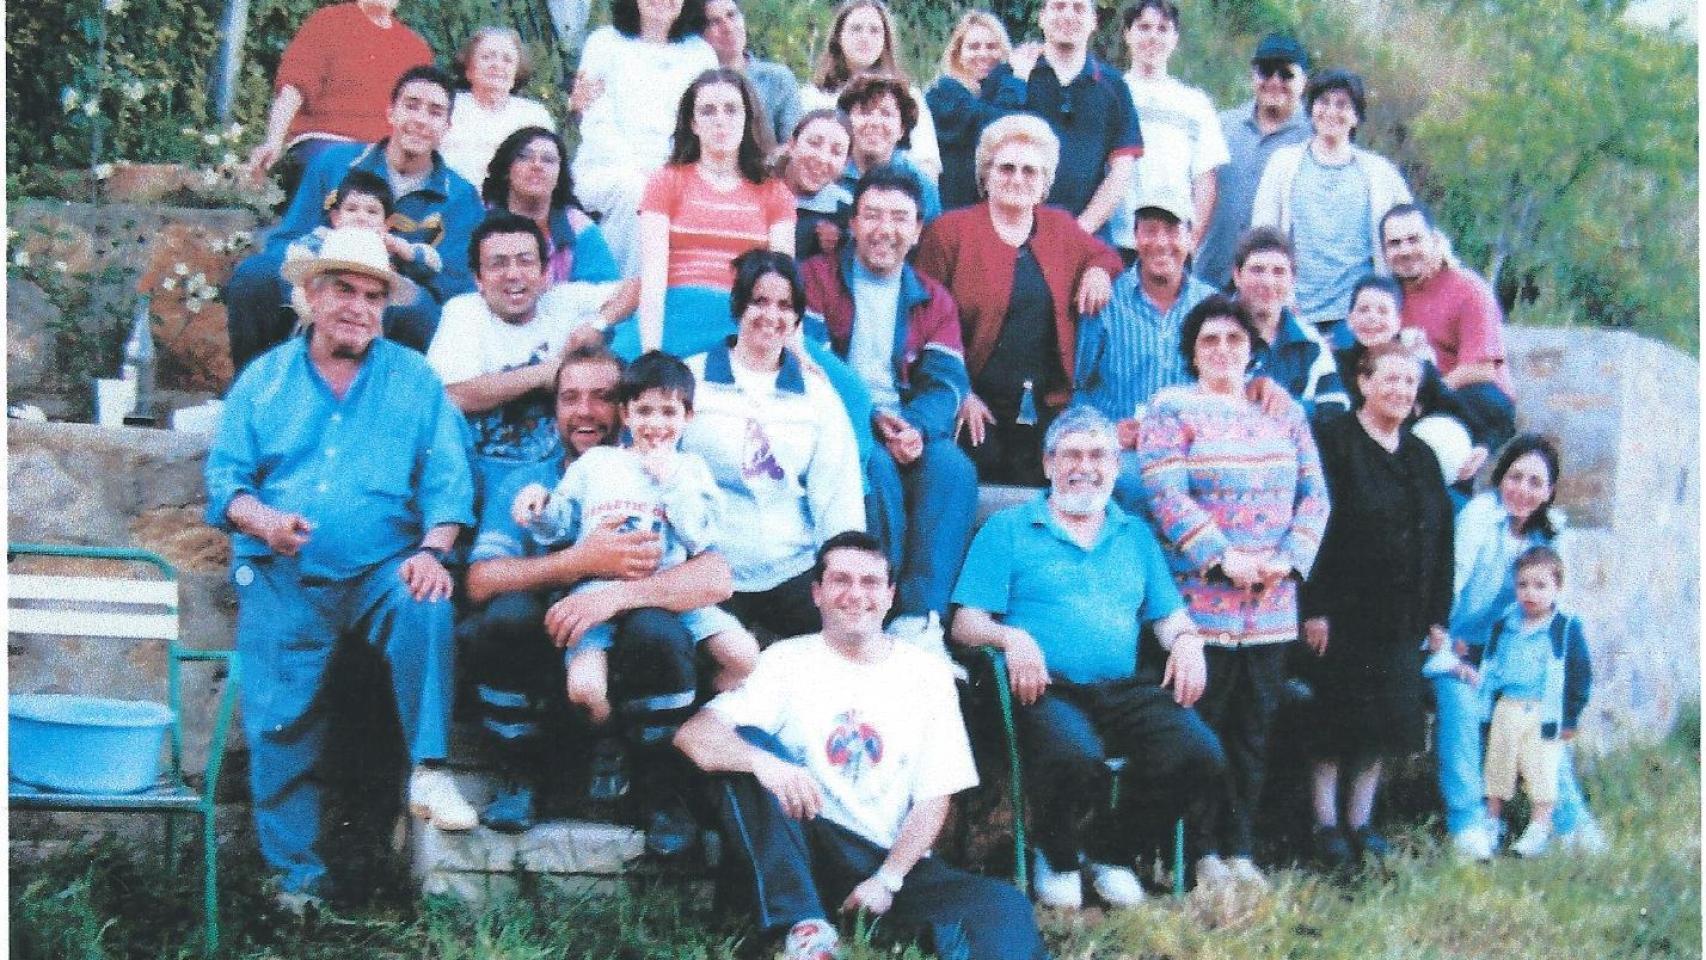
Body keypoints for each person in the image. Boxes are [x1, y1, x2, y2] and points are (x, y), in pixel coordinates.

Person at [203, 228, 475, 906]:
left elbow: (449, 484)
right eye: (343, 290)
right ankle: (295, 880)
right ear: (310, 297)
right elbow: (226, 483)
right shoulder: (261, 382)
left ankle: (431, 768)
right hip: (281, 570)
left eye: (373, 295)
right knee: (280, 718)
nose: (357, 306)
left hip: (385, 565)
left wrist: (432, 551)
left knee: (427, 603)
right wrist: (264, 520)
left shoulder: (413, 379)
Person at [675, 532, 1047, 960]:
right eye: (840, 580)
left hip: (889, 860)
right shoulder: (784, 662)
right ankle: (804, 928)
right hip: (809, 847)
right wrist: (764, 763)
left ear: (890, 595)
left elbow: (934, 796)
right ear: (817, 593)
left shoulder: (926, 674)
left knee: (1004, 905)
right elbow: (694, 736)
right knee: (747, 747)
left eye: (870, 583)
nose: (856, 594)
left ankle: (887, 923)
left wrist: (887, 880)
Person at [462, 342, 738, 846]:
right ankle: (521, 772)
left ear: (623, 406)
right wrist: (580, 563)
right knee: (506, 616)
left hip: (628, 658)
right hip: (549, 665)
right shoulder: (533, 482)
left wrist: (613, 596)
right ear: (555, 410)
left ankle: (660, 787)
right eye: (570, 398)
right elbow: (480, 580)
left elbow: (715, 574)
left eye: (601, 396)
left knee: (657, 627)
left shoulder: (669, 471)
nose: (586, 411)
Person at [952, 407, 1224, 909]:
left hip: (1121, 687)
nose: (1085, 465)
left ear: (1117, 466)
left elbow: (1167, 614)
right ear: (1048, 463)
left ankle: (1113, 853)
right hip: (1042, 687)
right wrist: (1012, 639)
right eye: (1072, 454)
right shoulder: (1009, 529)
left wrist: (1187, 642)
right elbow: (965, 623)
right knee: (1075, 756)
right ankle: (1056, 855)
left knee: (1198, 753)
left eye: (1099, 454)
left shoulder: (1134, 534)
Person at [1133, 295, 1328, 889]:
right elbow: (1165, 492)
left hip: (1271, 606)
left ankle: (1240, 848)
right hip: (1203, 603)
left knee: (1254, 728)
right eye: (1209, 340)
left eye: (1234, 340)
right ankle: (1199, 853)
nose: (1222, 351)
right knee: (1203, 727)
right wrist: (1223, 556)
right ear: (1191, 351)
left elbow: (1315, 493)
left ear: (1252, 349)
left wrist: (1287, 561)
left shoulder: (1282, 410)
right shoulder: (1172, 407)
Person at [511, 351, 759, 724]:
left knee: (744, 657)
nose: (655, 424)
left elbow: (699, 537)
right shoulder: (597, 462)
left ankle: (695, 721)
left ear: (687, 417)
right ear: (626, 415)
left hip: (670, 594)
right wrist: (541, 507)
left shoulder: (691, 470)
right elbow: (561, 526)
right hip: (595, 591)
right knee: (584, 688)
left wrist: (671, 483)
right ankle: (609, 737)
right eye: (644, 412)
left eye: (668, 412)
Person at [1299, 342, 1454, 867]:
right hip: (1341, 617)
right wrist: (1312, 607)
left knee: (1382, 726)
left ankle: (1360, 822)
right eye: (1389, 379)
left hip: (1400, 620)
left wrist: (1437, 615)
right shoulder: (1333, 442)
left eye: (1409, 383)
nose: (1400, 391)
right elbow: (1313, 527)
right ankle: (1325, 827)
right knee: (1332, 724)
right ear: (1363, 382)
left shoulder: (1421, 456)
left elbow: (1441, 538)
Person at [802, 168, 977, 625]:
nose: (885, 230)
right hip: (841, 420)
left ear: (918, 230)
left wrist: (915, 426)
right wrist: (872, 417)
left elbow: (946, 380)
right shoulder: (817, 279)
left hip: (906, 422)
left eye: (900, 218)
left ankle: (920, 620)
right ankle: (877, 612)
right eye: (873, 216)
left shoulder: (932, 298)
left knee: (953, 469)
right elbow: (811, 363)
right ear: (853, 224)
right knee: (874, 467)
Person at [225, 66, 485, 373]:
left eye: (435, 112)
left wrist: (400, 265)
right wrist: (314, 274)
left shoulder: (460, 196)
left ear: (447, 126)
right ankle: (256, 390)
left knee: (418, 312)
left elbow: (455, 283)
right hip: (320, 277)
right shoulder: (335, 164)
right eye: (411, 106)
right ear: (390, 112)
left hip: (393, 293)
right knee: (256, 276)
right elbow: (287, 238)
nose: (420, 120)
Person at [915, 114, 1121, 486]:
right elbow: (923, 320)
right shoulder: (950, 232)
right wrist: (959, 393)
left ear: (1045, 183)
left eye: (1030, 171)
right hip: (974, 404)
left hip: (1047, 406)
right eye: (1006, 168)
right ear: (985, 176)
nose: (1017, 178)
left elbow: (1104, 256)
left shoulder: (1059, 228)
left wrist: (1098, 271)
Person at [1430, 434, 1607, 860]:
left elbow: (1549, 610)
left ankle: (1570, 823)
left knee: (1536, 706)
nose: (1522, 491)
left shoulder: (1550, 533)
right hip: (1447, 639)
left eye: (1535, 483)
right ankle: (1469, 824)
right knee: (1462, 701)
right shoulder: (1478, 516)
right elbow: (1448, 584)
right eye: (1515, 477)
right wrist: (1450, 655)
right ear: (1500, 477)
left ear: (1548, 492)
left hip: (1502, 651)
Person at [682, 250, 865, 640]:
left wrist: (841, 580)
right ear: (738, 306)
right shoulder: (691, 381)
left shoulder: (817, 396)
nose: (771, 315)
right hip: (706, 569)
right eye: (759, 301)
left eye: (785, 305)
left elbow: (838, 497)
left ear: (797, 318)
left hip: (791, 567)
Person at [615, 69, 796, 359]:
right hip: (676, 312)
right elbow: (653, 279)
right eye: (708, 111)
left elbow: (783, 288)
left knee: (851, 392)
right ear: (693, 123)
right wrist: (651, 351)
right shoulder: (665, 182)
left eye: (731, 110)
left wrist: (794, 351)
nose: (721, 120)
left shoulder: (775, 194)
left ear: (747, 119)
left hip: (744, 320)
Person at [427, 214, 603, 502]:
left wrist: (599, 325)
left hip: (559, 471)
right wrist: (549, 373)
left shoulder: (563, 302)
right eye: (498, 264)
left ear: (545, 273)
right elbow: (453, 395)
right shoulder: (464, 311)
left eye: (525, 261)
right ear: (478, 279)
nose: (513, 274)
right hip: (484, 473)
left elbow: (636, 289)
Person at [1251, 68, 1412, 340]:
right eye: (1323, 102)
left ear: (1356, 116)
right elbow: (1262, 235)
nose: (1331, 112)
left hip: (1357, 319)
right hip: (1295, 311)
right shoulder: (1283, 163)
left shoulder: (1380, 172)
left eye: (1342, 105)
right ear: (1310, 109)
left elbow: (1411, 228)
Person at [569, 0, 718, 273]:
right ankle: (618, 291)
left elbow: (703, 123)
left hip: (679, 167)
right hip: (608, 165)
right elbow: (595, 118)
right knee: (638, 192)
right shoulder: (603, 43)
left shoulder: (701, 54)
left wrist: (671, 170)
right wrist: (644, 172)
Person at [978, 0, 1143, 242]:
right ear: (1042, 17)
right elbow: (985, 159)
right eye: (1059, 6)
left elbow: (1121, 170)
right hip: (1011, 235)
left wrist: (1079, 232)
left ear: (1093, 20)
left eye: (1078, 8)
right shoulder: (1009, 76)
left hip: (1088, 236)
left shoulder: (1113, 87)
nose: (1068, 15)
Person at [244, 0, 433, 201]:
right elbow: (295, 87)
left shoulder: (416, 49)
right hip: (327, 144)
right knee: (353, 183)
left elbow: (424, 116)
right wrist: (273, 141)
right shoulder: (329, 22)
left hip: (387, 156)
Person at [1473, 545, 1593, 858]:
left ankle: (1539, 828)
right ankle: (1492, 822)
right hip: (1507, 706)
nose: (1530, 593)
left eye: (1541, 586)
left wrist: (1570, 719)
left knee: (1543, 771)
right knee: (1497, 765)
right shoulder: (1506, 624)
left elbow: (1580, 676)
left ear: (1557, 588)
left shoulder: (1564, 628)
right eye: (1523, 585)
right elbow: (1491, 662)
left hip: (1544, 712)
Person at [1332, 275, 1496, 489]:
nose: (1372, 318)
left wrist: (1481, 447)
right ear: (1350, 319)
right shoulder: (1333, 366)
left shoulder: (1418, 368)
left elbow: (1466, 417)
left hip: (1406, 478)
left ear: (1398, 322)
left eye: (1382, 311)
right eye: (1363, 310)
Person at [1379, 203, 1517, 453]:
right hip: (1412, 398)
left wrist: (1424, 398)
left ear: (1434, 240)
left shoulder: (1468, 289)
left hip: (1471, 404)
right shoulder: (1387, 297)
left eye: (1413, 240)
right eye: (1395, 244)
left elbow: (1480, 369)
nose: (1405, 250)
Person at [1074, 190, 1217, 428]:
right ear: (1135, 237)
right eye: (1150, 230)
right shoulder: (1105, 300)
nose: (1161, 243)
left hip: (1190, 449)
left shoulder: (1212, 306)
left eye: (1172, 230)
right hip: (1121, 453)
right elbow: (1078, 385)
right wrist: (1107, 433)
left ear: (1191, 238)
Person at [1107, 0, 1228, 260]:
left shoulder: (1194, 102)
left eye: (1163, 29)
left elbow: (1205, 180)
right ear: (1127, 34)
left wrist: (1190, 242)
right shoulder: (1109, 93)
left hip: (1173, 245)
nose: (1153, 36)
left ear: (1175, 38)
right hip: (1118, 241)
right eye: (1144, 27)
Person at [1193, 33, 1312, 289]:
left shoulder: (1314, 138)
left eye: (1286, 74)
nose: (1274, 81)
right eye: (1266, 72)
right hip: (1211, 272)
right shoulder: (1222, 126)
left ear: (1304, 80)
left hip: (1274, 284)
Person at [480, 127, 628, 312]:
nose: (537, 165)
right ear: (506, 170)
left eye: (548, 160)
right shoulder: (476, 219)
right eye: (524, 156)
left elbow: (608, 296)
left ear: (559, 176)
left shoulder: (579, 229)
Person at [801, 0, 941, 179]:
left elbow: (927, 163)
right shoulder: (812, 97)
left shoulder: (909, 96)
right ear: (838, 36)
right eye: (856, 29)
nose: (865, 38)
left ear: (886, 40)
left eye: (874, 30)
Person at [282, 170, 439, 319]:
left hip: (374, 308)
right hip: (327, 305)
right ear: (336, 217)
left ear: (387, 223)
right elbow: (298, 254)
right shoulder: (324, 239)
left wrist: (405, 250)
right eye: (351, 209)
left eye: (372, 212)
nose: (361, 217)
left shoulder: (388, 245)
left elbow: (433, 265)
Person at [1230, 227, 1348, 416]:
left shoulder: (1310, 343)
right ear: (1237, 275)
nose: (1268, 282)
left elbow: (1334, 411)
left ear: (1293, 279)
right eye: (1257, 270)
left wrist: (1286, 407)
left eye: (1278, 271)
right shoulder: (1215, 334)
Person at [924, 10, 1026, 212]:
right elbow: (997, 126)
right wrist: (1018, 79)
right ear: (958, 54)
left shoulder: (997, 91)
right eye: (973, 47)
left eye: (991, 47)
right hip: (953, 209)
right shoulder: (943, 93)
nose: (983, 54)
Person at [439, 27, 556, 188]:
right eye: (487, 57)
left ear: (517, 72)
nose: (497, 65)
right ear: (468, 70)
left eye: (507, 60)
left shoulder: (534, 116)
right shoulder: (446, 106)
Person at [837, 74, 942, 223]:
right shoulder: (831, 174)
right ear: (846, 121)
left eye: (886, 114)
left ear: (902, 129)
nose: (874, 122)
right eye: (865, 112)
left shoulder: (921, 185)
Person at [703, 0, 802, 146]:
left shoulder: (777, 79)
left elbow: (791, 146)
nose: (728, 27)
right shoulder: (694, 80)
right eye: (715, 22)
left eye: (732, 15)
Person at [781, 109, 855, 261]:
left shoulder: (846, 209)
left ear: (846, 163)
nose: (822, 158)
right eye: (814, 143)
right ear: (792, 144)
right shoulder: (759, 189)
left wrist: (840, 244)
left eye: (836, 152)